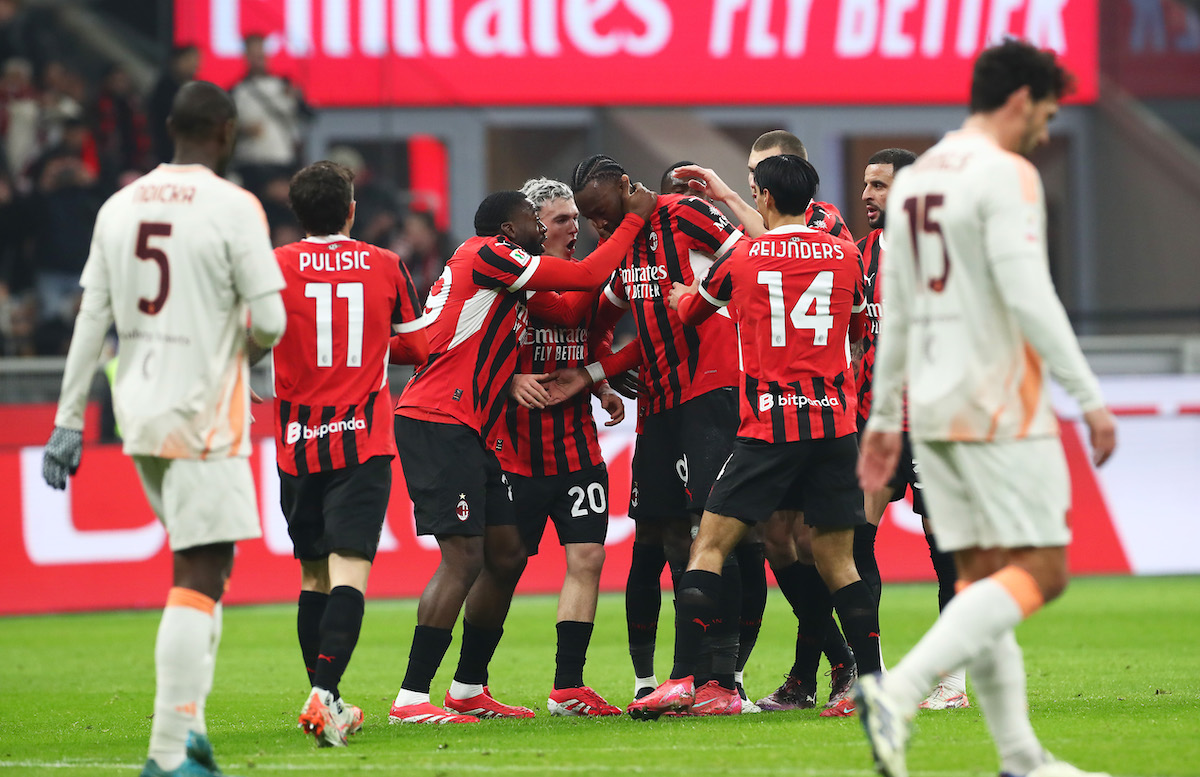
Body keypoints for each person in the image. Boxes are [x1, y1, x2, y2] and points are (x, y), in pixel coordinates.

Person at [855, 40, 1117, 777]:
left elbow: (893, 308)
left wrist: (882, 420)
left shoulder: (920, 179)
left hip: (930, 405)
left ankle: (1021, 756)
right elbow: (1031, 295)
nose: (1045, 128)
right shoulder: (1006, 175)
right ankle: (898, 691)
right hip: (999, 401)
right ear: (1018, 101)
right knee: (1045, 568)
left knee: (978, 577)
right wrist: (1090, 398)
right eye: (1046, 112)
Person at [41, 81, 287, 777]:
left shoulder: (119, 205)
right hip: (202, 409)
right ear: (228, 132)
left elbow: (93, 316)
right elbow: (268, 320)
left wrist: (67, 420)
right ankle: (167, 751)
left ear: (170, 128)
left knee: (207, 565)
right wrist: (239, 335)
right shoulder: (235, 206)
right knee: (201, 568)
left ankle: (193, 730)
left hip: (138, 408)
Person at [386, 181, 655, 724]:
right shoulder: (491, 254)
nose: (547, 229)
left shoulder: (495, 272)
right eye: (538, 222)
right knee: (463, 558)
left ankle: (466, 689)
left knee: (504, 554)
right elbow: (579, 280)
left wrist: (593, 375)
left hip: (470, 426)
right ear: (511, 230)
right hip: (440, 419)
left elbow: (441, 336)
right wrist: (634, 222)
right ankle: (412, 699)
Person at [625, 153, 878, 719]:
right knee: (840, 564)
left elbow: (692, 310)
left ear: (762, 195)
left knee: (708, 547)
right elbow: (860, 328)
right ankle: (872, 687)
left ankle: (682, 680)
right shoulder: (845, 253)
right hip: (834, 426)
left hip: (767, 427)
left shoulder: (743, 256)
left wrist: (679, 294)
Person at [552, 154, 748, 714]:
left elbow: (744, 257)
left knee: (712, 529)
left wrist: (702, 299)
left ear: (623, 186)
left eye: (600, 210)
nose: (597, 225)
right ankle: (666, 681)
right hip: (659, 401)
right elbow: (598, 317)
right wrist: (599, 370)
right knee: (661, 535)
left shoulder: (685, 212)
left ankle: (720, 682)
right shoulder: (624, 246)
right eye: (588, 219)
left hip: (710, 390)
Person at [271, 161, 428, 746]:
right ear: (351, 210)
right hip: (362, 439)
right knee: (350, 572)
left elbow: (253, 334)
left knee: (313, 575)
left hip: (297, 445)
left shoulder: (275, 266)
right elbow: (416, 345)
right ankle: (325, 695)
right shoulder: (385, 264)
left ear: (297, 213)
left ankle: (325, 697)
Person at [494, 177, 625, 716]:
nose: (574, 229)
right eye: (562, 220)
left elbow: (588, 336)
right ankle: (467, 683)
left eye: (576, 218)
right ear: (533, 227)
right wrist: (506, 381)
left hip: (577, 448)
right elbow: (464, 345)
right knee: (502, 568)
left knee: (588, 557)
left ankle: (567, 686)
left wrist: (602, 381)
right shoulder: (508, 277)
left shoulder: (584, 279)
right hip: (515, 452)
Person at [855, 146, 969, 710]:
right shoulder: (860, 254)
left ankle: (952, 681)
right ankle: (870, 673)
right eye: (867, 185)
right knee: (854, 543)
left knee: (946, 554)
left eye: (878, 185)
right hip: (876, 426)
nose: (867, 196)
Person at [231, 34, 308, 196]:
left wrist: (297, 98)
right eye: (253, 53)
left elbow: (306, 115)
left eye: (261, 51)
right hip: (251, 163)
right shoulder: (237, 91)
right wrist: (242, 130)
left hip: (282, 160)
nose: (259, 57)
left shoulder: (284, 85)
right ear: (246, 56)